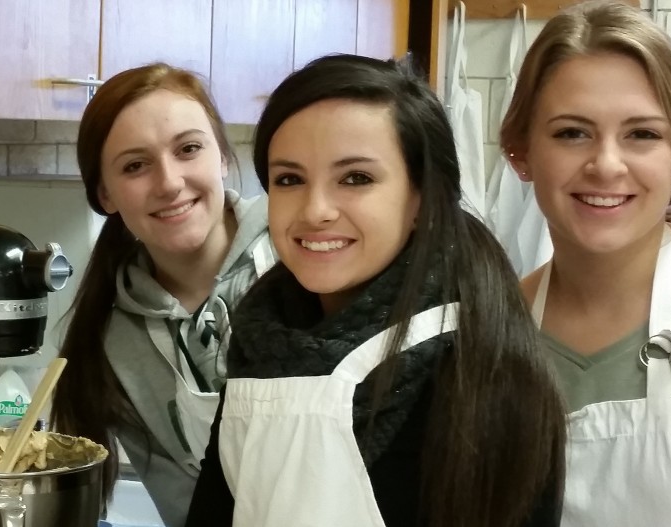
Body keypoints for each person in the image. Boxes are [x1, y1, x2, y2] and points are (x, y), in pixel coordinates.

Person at [185, 54, 566, 527]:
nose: (315, 210)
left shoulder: (482, 365)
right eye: (289, 180)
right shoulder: (264, 344)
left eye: (356, 178)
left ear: (422, 198)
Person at [499, 1, 671, 525]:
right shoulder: (495, 333)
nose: (606, 165)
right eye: (572, 132)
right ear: (520, 152)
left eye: (642, 134)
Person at [49, 63, 274, 527]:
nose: (169, 183)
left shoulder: (301, 256)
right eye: (136, 165)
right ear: (106, 194)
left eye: (189, 149)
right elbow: (189, 510)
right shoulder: (115, 343)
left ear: (224, 157)